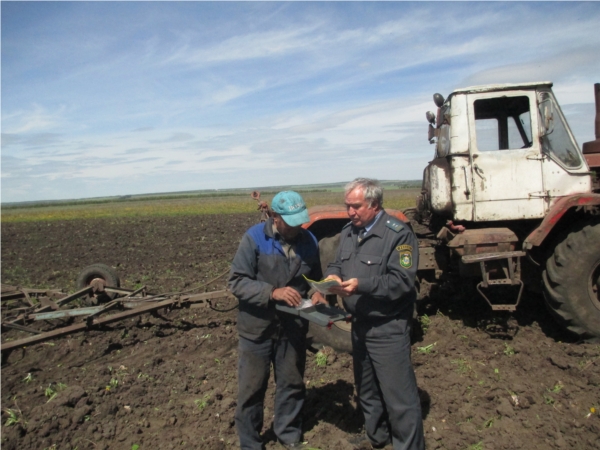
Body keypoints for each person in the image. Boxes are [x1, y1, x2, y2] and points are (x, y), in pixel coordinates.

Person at [325, 178, 424, 450]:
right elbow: (336, 262)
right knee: (367, 390)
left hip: (388, 327)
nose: (350, 212)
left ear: (375, 204)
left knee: (399, 397)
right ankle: (377, 438)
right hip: (360, 325)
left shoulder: (398, 234)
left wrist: (361, 285)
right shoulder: (348, 232)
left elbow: (402, 282)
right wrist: (332, 275)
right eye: (347, 206)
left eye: (356, 206)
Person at [229, 190, 325, 450]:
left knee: (292, 383)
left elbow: (314, 277)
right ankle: (250, 442)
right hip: (257, 328)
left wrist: (318, 293)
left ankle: (289, 434)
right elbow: (236, 282)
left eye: (300, 221)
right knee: (252, 389)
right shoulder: (254, 238)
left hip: (293, 328)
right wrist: (271, 292)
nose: (297, 227)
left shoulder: (309, 240)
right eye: (291, 222)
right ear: (275, 216)